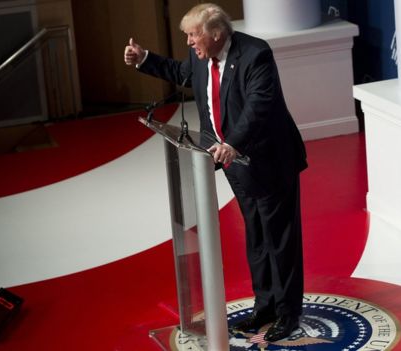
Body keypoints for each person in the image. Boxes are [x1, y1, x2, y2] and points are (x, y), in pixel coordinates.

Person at [124, 3, 307, 342]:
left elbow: (259, 106)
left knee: (279, 240)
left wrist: (234, 143)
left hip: (269, 160)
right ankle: (265, 306)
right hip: (234, 164)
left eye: (194, 35)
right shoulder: (200, 55)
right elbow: (183, 72)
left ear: (216, 34)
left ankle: (288, 313)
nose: (190, 42)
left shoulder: (255, 54)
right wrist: (145, 58)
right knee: (256, 238)